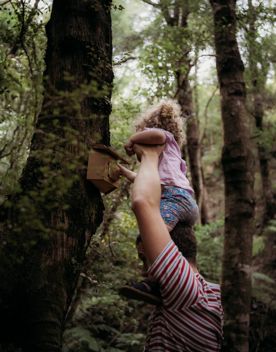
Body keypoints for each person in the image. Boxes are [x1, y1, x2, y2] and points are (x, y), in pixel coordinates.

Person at [128, 142, 223, 351]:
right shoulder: (209, 296)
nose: (145, 270)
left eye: (146, 259)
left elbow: (142, 201)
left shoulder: (184, 289)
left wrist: (151, 154)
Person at [119, 100, 199, 303]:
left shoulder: (164, 138)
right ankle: (157, 280)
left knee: (150, 239)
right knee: (146, 240)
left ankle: (154, 283)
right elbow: (144, 181)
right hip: (183, 201)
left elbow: (156, 135)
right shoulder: (170, 157)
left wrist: (132, 139)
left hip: (175, 198)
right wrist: (122, 171)